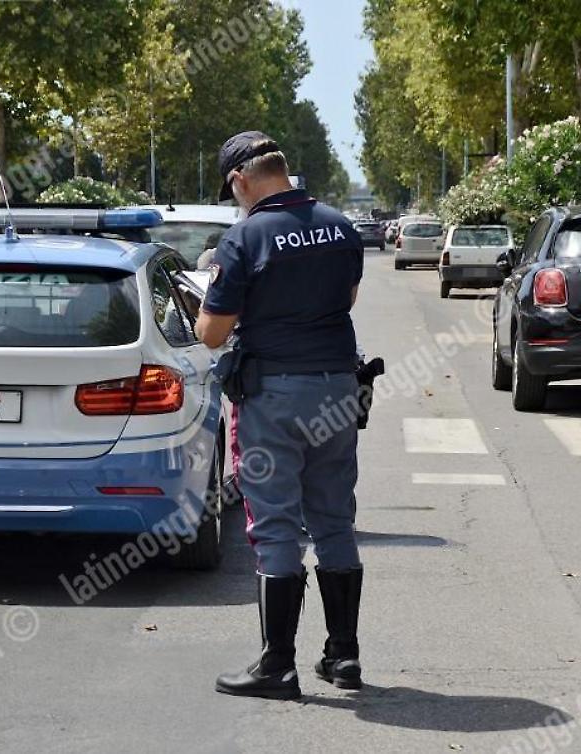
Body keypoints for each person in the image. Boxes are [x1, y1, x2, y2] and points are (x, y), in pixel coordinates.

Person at [194, 131, 365, 700]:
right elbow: (348, 299)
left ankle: (278, 665)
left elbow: (212, 333)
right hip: (338, 386)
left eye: (231, 191)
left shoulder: (244, 238)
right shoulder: (340, 227)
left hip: (274, 395)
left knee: (275, 526)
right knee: (334, 520)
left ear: (240, 180)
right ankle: (344, 655)